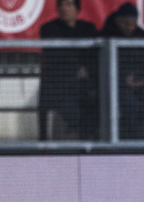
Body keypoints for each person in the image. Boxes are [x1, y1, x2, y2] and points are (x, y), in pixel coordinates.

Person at [100, 2, 144, 140]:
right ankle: (133, 142)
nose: (130, 26)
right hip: (115, 87)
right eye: (126, 22)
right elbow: (100, 65)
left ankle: (124, 126)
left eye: (133, 22)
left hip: (140, 84)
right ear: (118, 21)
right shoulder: (106, 36)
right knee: (130, 105)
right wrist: (123, 79)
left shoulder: (141, 35)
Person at [39, 0, 99, 140]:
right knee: (74, 113)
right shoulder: (49, 29)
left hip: (83, 85)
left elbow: (92, 56)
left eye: (68, 4)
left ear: (77, 9)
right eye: (61, 5)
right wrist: (77, 67)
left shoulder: (87, 29)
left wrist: (84, 69)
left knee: (100, 102)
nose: (64, 8)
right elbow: (57, 55)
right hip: (58, 85)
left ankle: (92, 143)